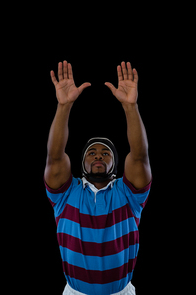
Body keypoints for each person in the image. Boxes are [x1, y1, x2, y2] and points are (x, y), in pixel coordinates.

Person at [44, 60, 152, 295]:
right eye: (91, 153)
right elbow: (54, 158)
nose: (98, 156)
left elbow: (140, 157)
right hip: (75, 292)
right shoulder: (65, 194)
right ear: (82, 162)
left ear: (115, 162)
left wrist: (130, 107)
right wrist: (64, 106)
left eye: (105, 153)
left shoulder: (128, 194)